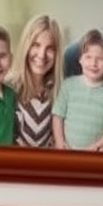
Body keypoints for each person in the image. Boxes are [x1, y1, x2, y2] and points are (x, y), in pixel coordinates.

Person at [51, 30, 103, 151]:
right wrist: (59, 142)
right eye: (88, 57)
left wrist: (97, 145)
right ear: (80, 59)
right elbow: (58, 116)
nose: (93, 63)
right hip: (66, 151)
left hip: (93, 155)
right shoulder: (68, 86)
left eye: (100, 59)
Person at [6, 14, 62, 149]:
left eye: (50, 48)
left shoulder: (59, 91)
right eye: (36, 45)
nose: (42, 55)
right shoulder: (8, 87)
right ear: (26, 46)